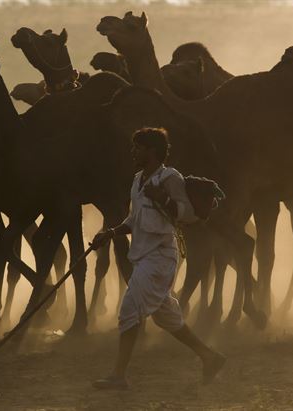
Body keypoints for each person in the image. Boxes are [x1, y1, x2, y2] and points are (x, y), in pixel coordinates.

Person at [91, 127, 225, 390]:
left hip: (161, 257)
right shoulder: (138, 179)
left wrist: (162, 197)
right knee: (167, 318)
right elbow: (134, 219)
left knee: (129, 310)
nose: (133, 152)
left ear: (151, 151)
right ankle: (210, 357)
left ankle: (119, 375)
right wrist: (110, 233)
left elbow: (185, 214)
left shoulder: (169, 178)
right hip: (143, 256)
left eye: (137, 148)